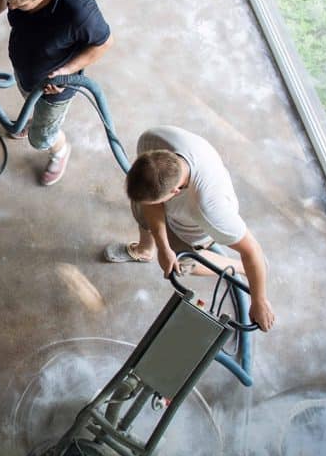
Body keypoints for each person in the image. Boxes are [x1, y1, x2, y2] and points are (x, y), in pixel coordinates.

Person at [105, 125, 276, 331]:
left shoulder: (211, 210)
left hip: (196, 229)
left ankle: (237, 267)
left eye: (160, 200)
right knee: (140, 204)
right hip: (180, 205)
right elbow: (151, 203)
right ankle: (145, 250)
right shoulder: (152, 140)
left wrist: (258, 300)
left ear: (176, 191)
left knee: (184, 263)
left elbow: (252, 250)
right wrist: (163, 246)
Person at [0, 0, 113, 186]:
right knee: (30, 103)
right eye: (10, 2)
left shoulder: (79, 12)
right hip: (27, 73)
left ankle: (60, 150)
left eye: (19, 5)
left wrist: (66, 71)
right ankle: (34, 119)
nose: (11, 8)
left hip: (54, 89)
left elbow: (104, 43)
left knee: (42, 138)